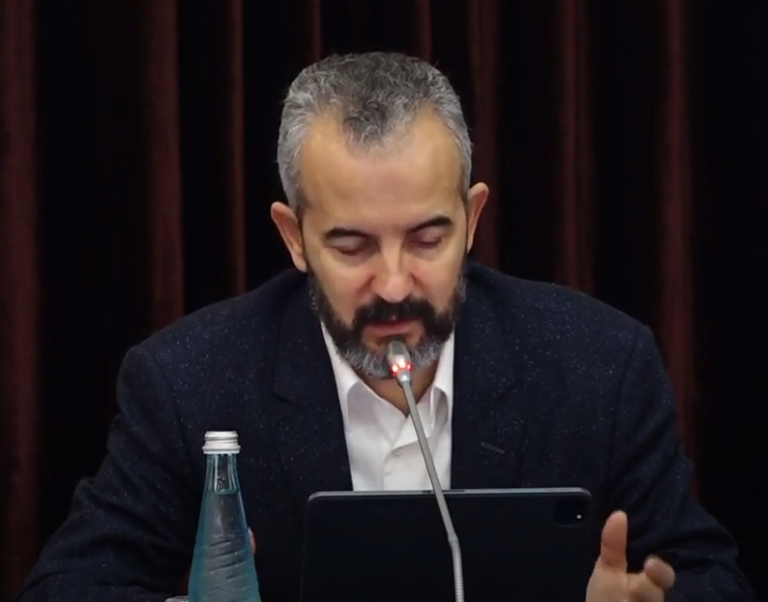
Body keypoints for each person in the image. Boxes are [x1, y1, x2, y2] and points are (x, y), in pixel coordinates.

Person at [15, 52, 753, 602]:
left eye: (428, 239)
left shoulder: (600, 364)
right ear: (294, 237)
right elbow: (68, 587)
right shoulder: (189, 382)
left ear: (472, 218)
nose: (395, 284)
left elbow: (712, 577)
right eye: (353, 246)